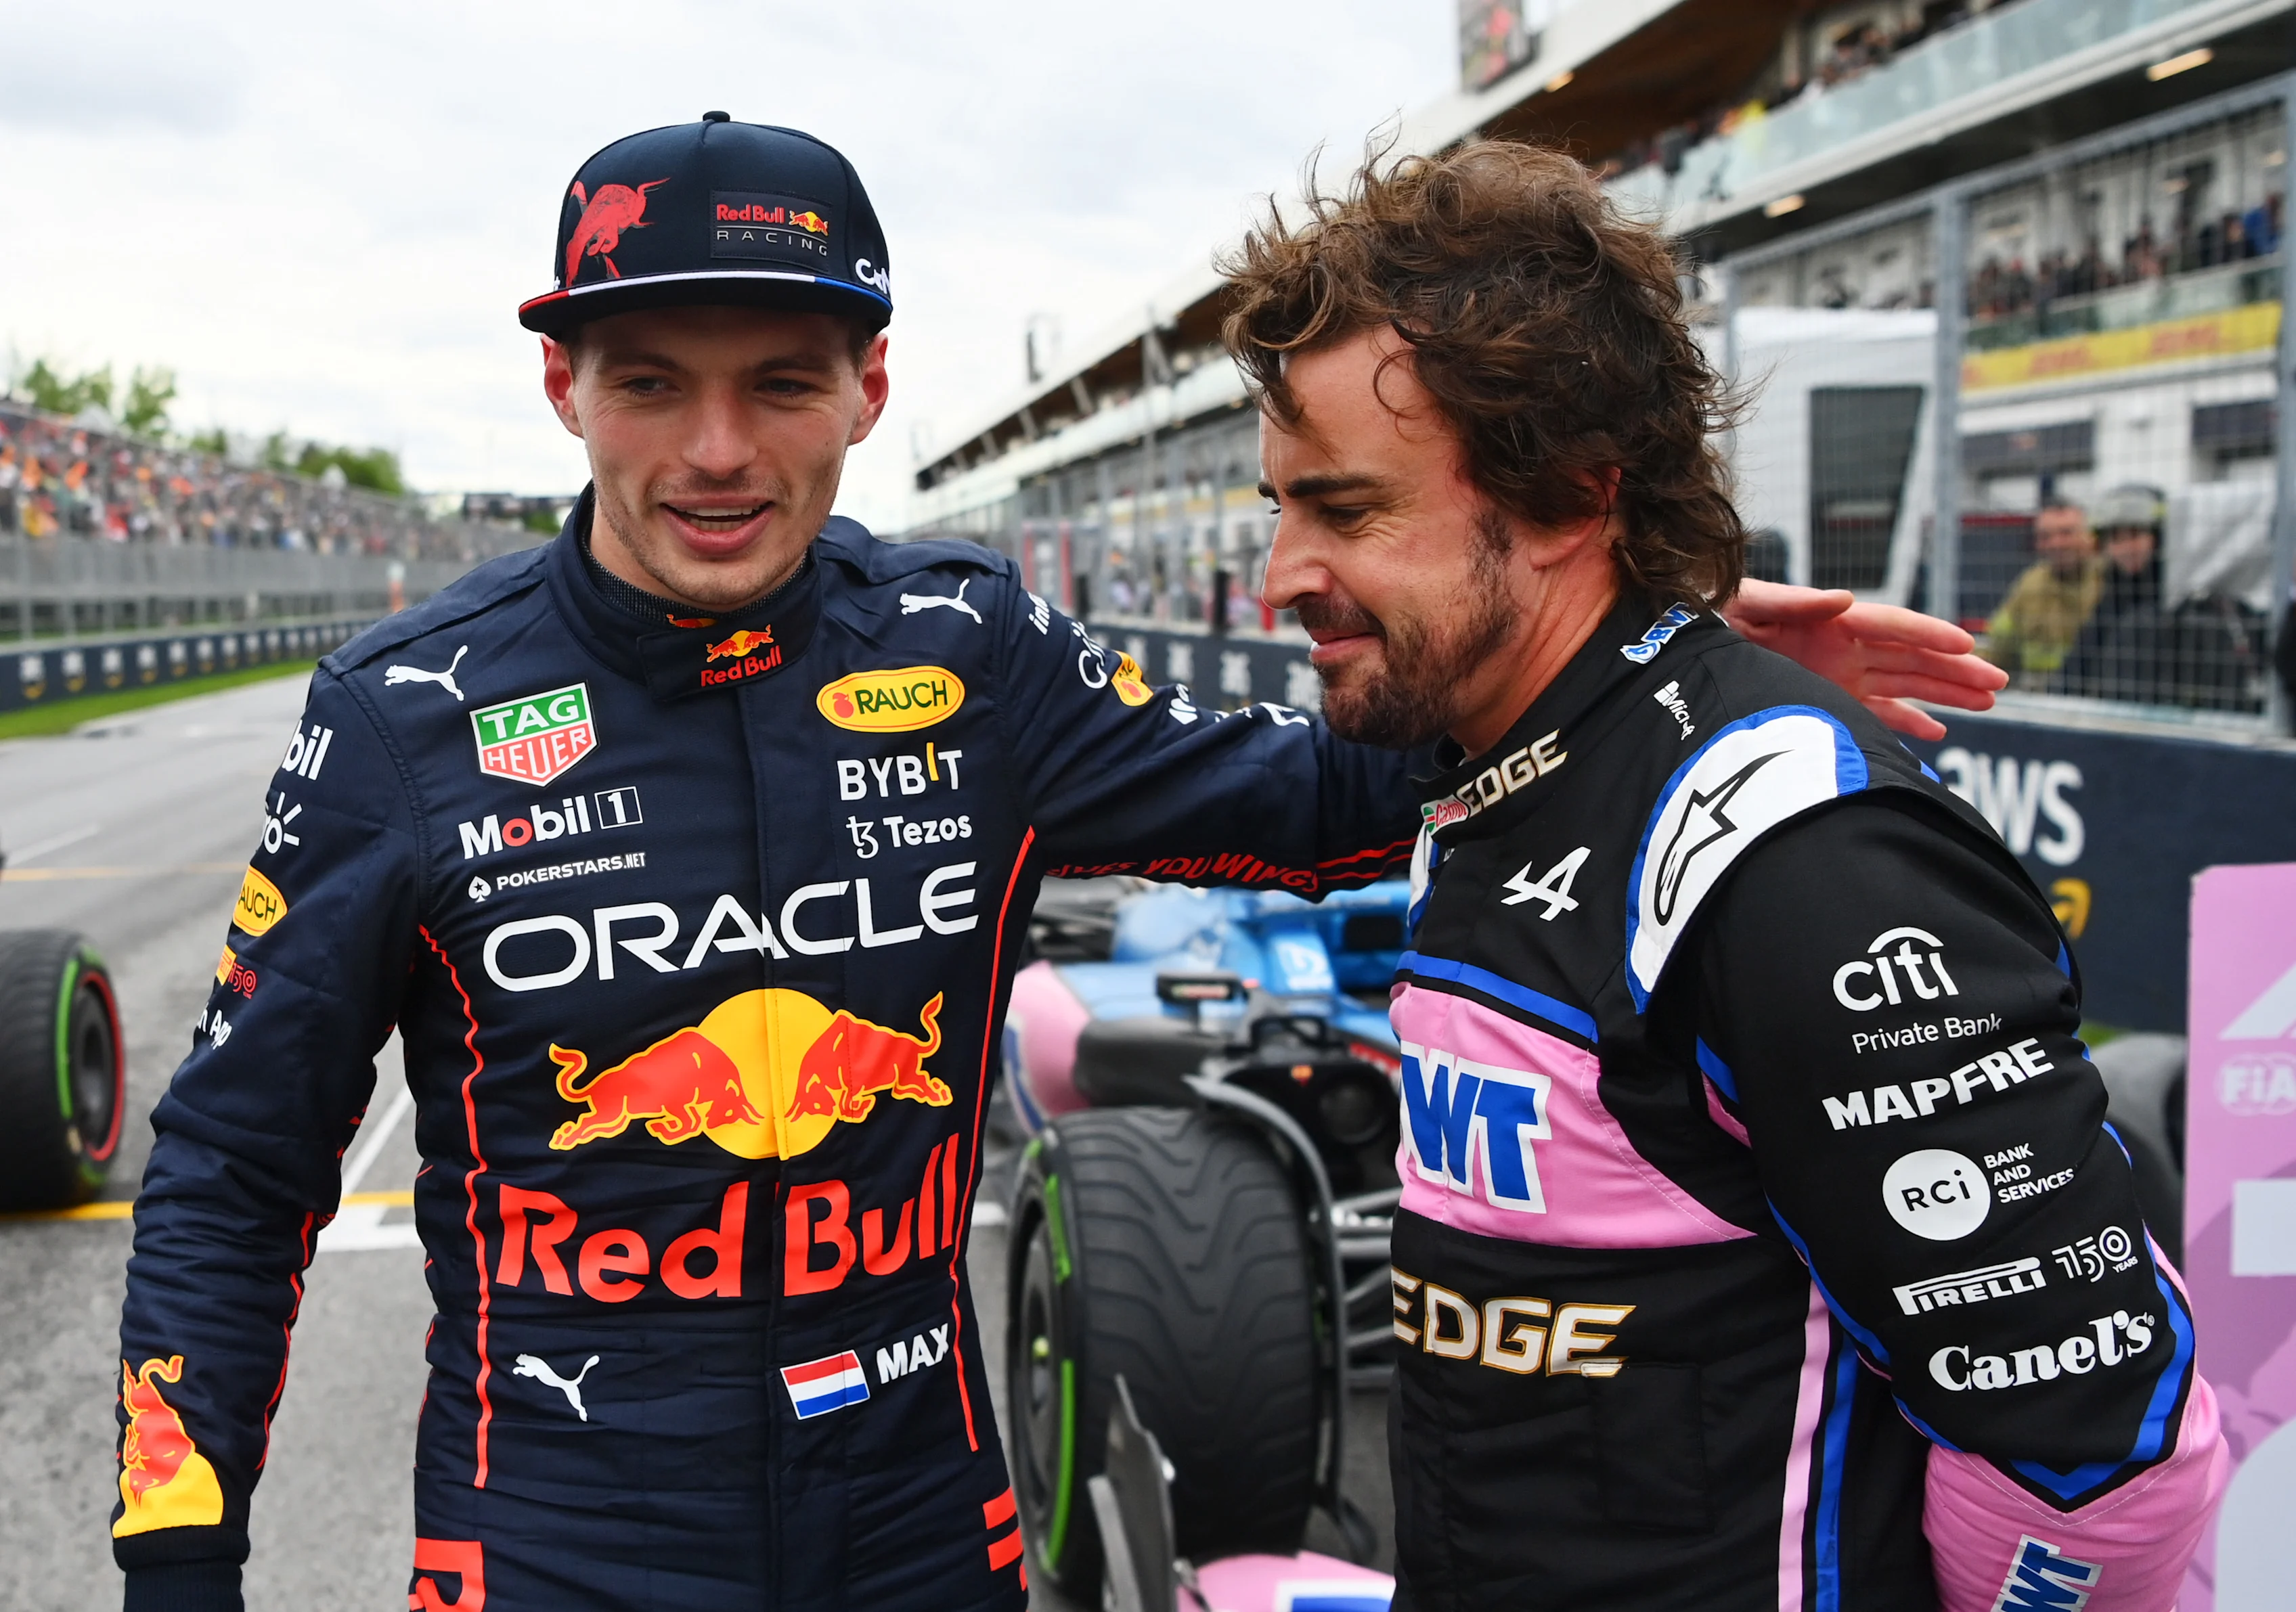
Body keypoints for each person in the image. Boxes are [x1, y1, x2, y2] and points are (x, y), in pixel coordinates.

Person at [111, 116, 2000, 1612]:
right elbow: (229, 1168)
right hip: (566, 1532)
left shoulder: (967, 647)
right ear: (561, 392)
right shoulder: (402, 712)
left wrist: (1635, 646)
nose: (713, 449)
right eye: (646, 382)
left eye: (779, 381)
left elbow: (1317, 794)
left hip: (924, 1516)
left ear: (867, 383)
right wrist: (179, 1564)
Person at [1229, 143, 2223, 1611]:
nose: (1277, 578)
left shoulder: (1791, 850)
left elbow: (2100, 1461)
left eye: (1347, 511)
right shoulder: (1496, 749)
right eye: (1279, 511)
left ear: (1570, 496)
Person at [2056, 485, 2168, 703]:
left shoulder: (2180, 603)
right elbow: (2076, 669)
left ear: (2157, 538)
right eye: (2116, 539)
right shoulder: (2111, 598)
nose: (2126, 548)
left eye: (2135, 535)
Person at [1981, 499, 2101, 687]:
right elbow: (1999, 646)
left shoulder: (2109, 581)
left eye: (2067, 533)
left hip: (2097, 693)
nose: (2056, 544)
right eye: (2046, 537)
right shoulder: (2029, 585)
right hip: (2038, 697)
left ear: (2090, 537)